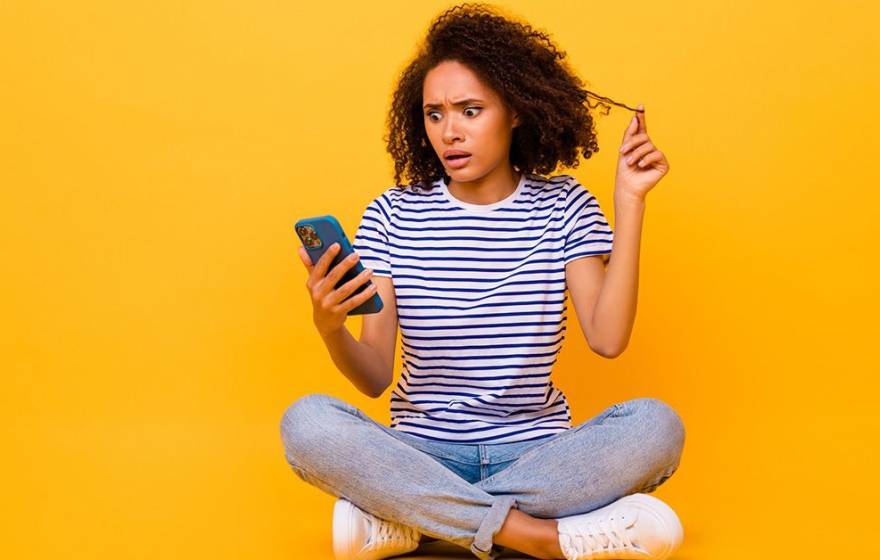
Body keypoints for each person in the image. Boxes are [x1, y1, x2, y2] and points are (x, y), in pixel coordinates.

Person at [281, 4, 684, 560]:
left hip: (539, 456)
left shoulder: (565, 207)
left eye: (470, 111)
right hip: (421, 451)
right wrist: (329, 329)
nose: (450, 133)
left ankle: (415, 520)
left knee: (656, 427)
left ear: (515, 110)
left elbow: (608, 340)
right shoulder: (392, 215)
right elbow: (374, 377)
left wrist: (629, 203)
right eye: (434, 114)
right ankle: (534, 534)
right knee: (307, 424)